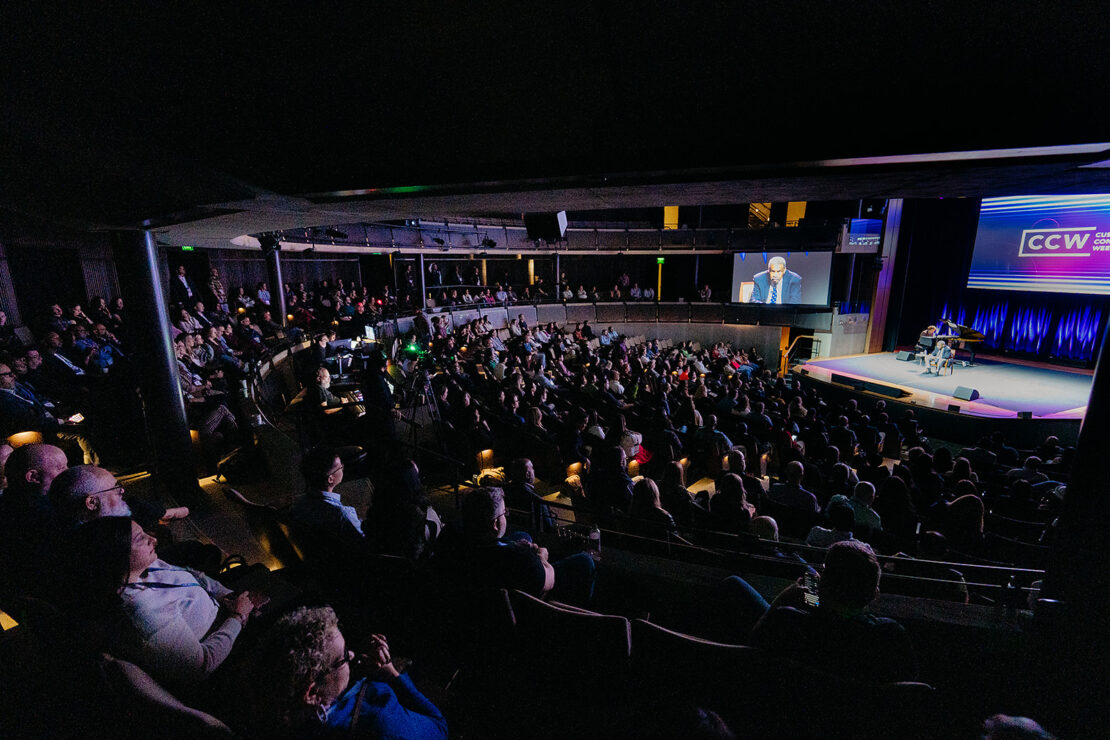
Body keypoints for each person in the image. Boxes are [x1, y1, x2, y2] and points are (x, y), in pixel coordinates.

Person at [66, 516, 265, 685]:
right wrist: (238, 617)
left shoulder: (142, 566)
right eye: (139, 539)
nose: (153, 539)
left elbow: (192, 573)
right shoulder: (144, 612)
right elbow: (203, 665)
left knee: (262, 573)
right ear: (116, 557)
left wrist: (225, 595)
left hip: (229, 609)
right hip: (230, 651)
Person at [242, 605, 447, 739]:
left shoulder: (271, 716)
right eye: (342, 658)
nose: (352, 654)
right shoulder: (381, 723)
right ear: (312, 694)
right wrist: (390, 673)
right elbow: (438, 727)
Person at [750, 540, 919, 682]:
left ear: (823, 584)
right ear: (875, 594)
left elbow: (752, 645)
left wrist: (787, 596)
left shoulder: (788, 619)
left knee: (734, 583)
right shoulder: (891, 635)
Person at [287, 446, 367, 562]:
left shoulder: (298, 505)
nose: (343, 467)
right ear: (330, 479)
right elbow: (364, 542)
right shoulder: (341, 514)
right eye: (340, 466)